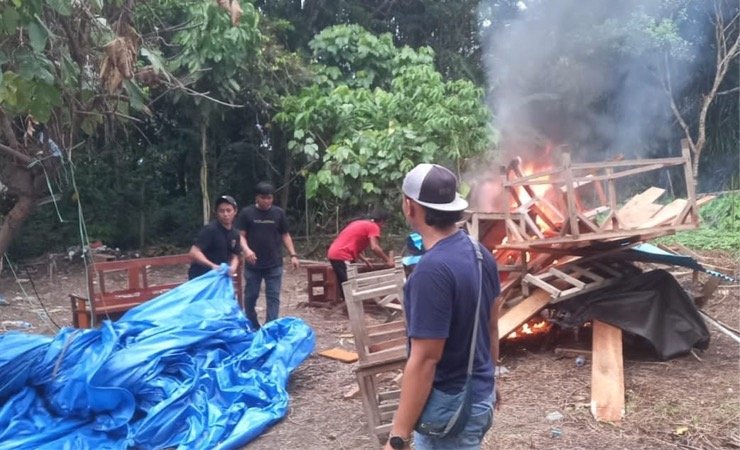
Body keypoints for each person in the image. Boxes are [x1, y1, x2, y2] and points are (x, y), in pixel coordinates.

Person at [385, 163, 501, 450]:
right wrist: (491, 382)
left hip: (450, 408)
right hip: (478, 398)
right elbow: (492, 327)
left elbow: (425, 360)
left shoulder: (431, 271)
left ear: (410, 206)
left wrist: (397, 438)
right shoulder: (480, 253)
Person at [236, 182, 300, 328]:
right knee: (251, 296)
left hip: (274, 263)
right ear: (257, 198)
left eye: (269, 198)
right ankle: (253, 325)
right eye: (263, 198)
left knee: (273, 297)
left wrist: (293, 255)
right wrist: (247, 250)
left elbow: (285, 234)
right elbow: (241, 236)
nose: (266, 201)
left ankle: (269, 328)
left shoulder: (278, 213)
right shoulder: (247, 213)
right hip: (253, 264)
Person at [327, 208, 394, 292]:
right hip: (342, 255)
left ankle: (347, 302)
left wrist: (365, 260)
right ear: (382, 221)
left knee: (345, 283)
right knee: (350, 285)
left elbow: (350, 245)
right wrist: (388, 260)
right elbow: (374, 247)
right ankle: (351, 303)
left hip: (335, 253)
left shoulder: (360, 223)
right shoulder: (374, 226)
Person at [188, 195, 242, 280]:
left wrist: (232, 268)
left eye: (228, 210)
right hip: (202, 277)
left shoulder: (235, 234)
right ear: (216, 212)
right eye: (221, 211)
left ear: (235, 211)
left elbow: (235, 255)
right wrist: (212, 265)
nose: (225, 214)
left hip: (220, 278)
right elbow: (194, 252)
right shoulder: (210, 230)